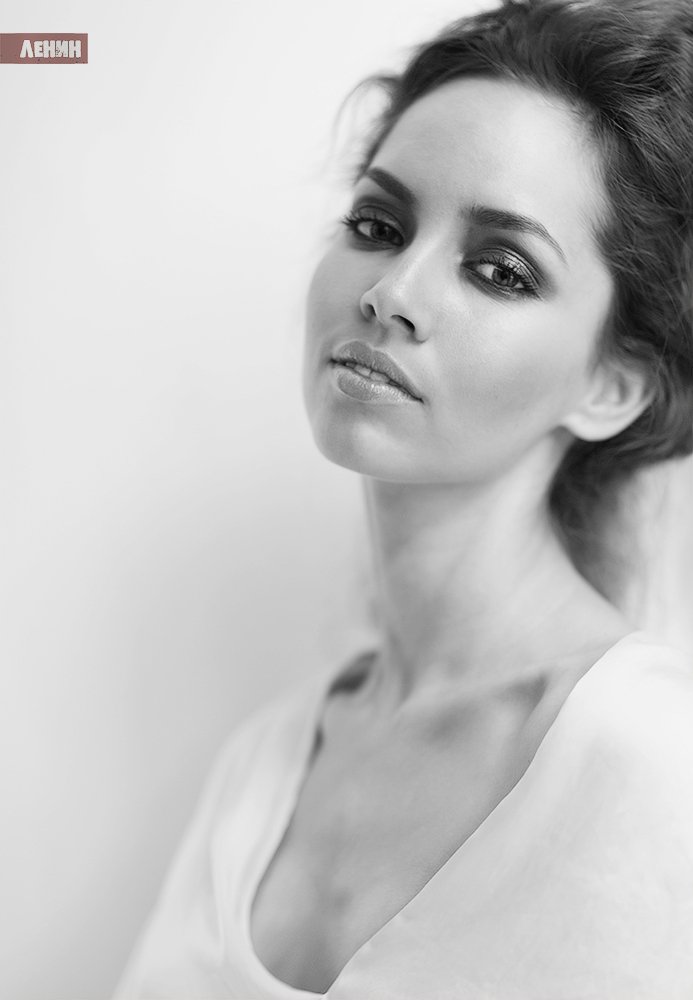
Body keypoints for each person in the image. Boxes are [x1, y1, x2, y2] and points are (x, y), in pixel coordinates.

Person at [113, 0, 693, 996]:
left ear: (611, 385)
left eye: (499, 270)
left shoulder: (654, 767)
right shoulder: (266, 762)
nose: (391, 293)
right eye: (378, 226)